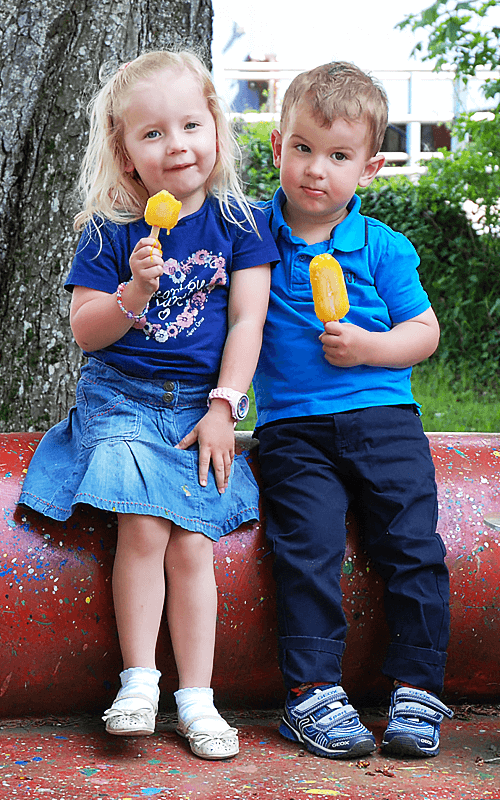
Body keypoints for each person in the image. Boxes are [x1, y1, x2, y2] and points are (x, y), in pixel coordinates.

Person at [19, 50, 279, 760]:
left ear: (217, 130)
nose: (178, 146)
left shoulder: (240, 222)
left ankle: (197, 698)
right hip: (124, 400)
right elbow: (85, 330)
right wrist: (133, 294)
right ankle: (139, 682)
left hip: (199, 405)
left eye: (191, 125)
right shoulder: (111, 230)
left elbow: (248, 323)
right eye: (154, 134)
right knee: (144, 528)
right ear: (125, 153)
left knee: (193, 541)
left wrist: (226, 407)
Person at [252, 61, 453, 760]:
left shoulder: (383, 247)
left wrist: (370, 346)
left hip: (384, 419)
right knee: (305, 549)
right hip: (292, 429)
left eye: (338, 156)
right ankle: (310, 694)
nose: (316, 170)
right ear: (277, 147)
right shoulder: (253, 241)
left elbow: (423, 333)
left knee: (413, 546)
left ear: (370, 168)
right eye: (303, 148)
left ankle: (418, 687)